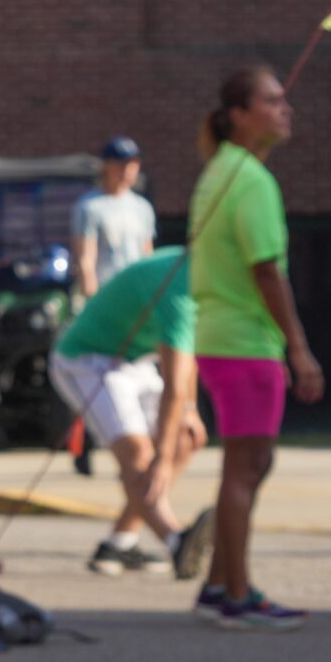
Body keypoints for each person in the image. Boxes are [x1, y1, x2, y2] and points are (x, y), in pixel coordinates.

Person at [188, 65, 320, 630]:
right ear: (239, 115)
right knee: (247, 467)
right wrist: (300, 349)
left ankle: (219, 584)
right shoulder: (249, 179)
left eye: (283, 100)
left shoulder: (220, 170)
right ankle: (238, 596)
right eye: (271, 100)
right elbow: (267, 271)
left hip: (219, 337)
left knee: (245, 467)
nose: (283, 109)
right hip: (244, 342)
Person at [49, 246, 208, 576]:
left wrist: (190, 411)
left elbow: (185, 355)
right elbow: (174, 384)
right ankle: (177, 541)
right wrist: (160, 458)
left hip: (134, 360)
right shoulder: (179, 282)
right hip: (86, 359)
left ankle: (120, 543)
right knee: (138, 451)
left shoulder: (207, 282)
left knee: (184, 438)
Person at [74, 136, 157, 305]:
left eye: (133, 164)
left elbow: (148, 255)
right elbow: (86, 259)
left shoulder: (143, 207)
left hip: (137, 294)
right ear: (106, 165)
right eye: (122, 164)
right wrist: (93, 300)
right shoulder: (90, 206)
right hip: (107, 294)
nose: (128, 169)